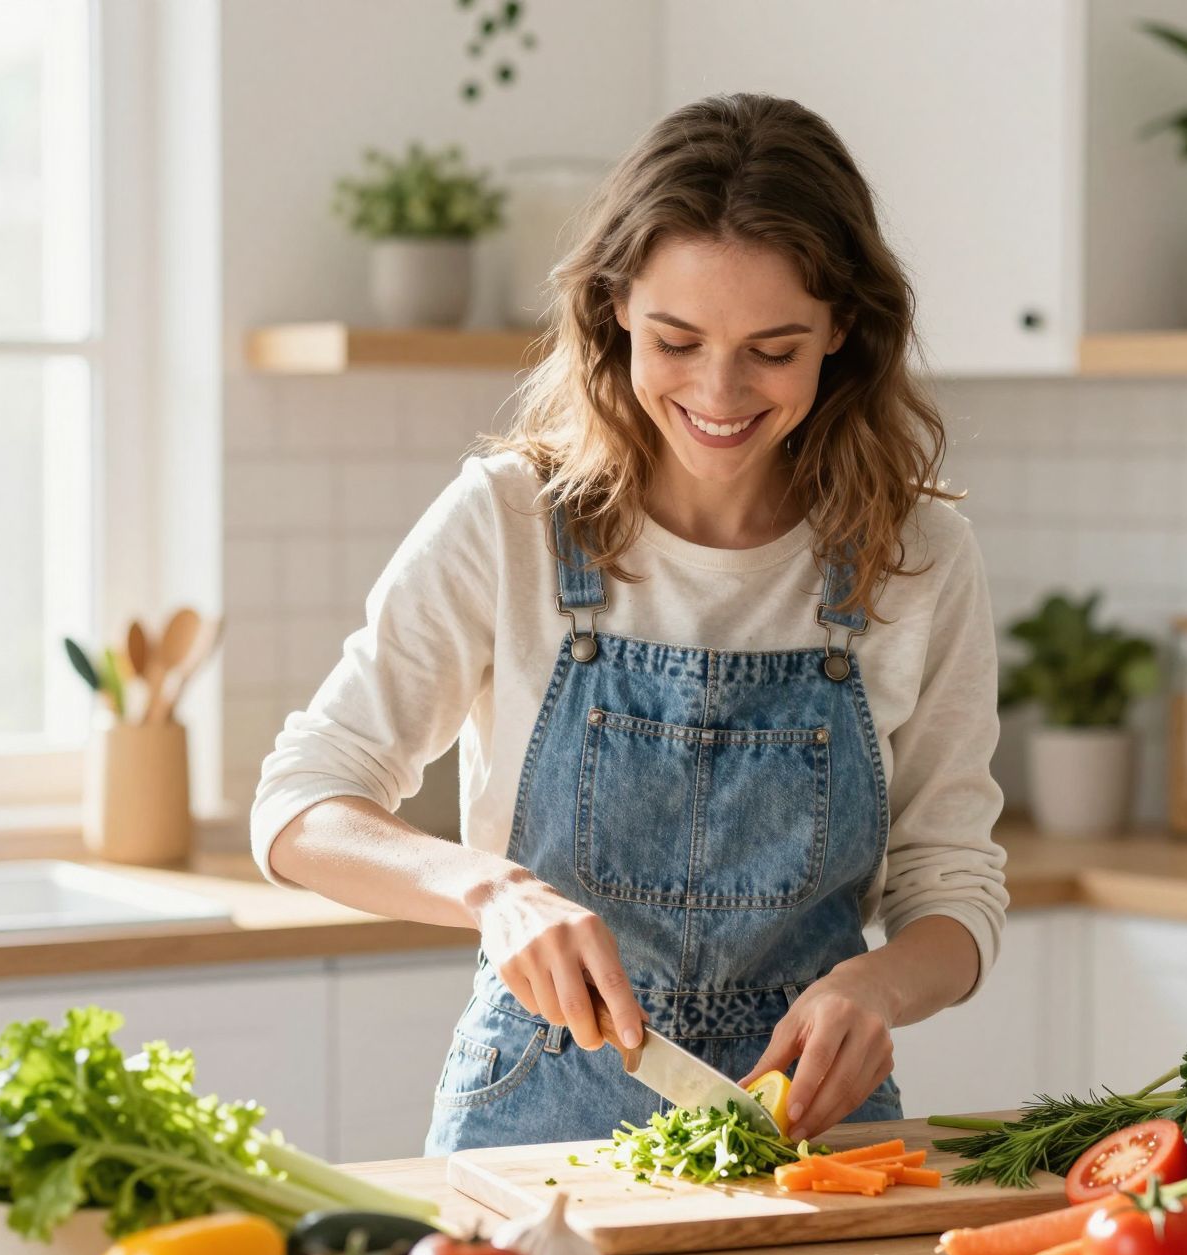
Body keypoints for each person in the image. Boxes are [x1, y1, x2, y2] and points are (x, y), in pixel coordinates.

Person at [251, 93, 1007, 1152]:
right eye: (677, 340)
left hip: (805, 1132)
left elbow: (955, 888)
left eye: (773, 349)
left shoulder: (915, 557)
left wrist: (876, 988)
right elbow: (298, 806)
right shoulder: (509, 520)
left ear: (842, 329)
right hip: (530, 1123)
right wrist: (493, 893)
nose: (719, 391)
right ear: (613, 307)